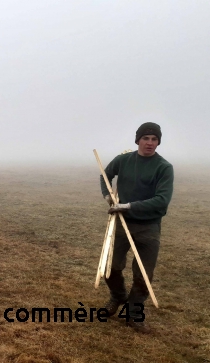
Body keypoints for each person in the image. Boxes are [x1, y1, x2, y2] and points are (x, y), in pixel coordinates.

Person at [101, 122, 174, 334]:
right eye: (146, 138)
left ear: (158, 142)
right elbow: (105, 176)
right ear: (138, 140)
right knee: (109, 268)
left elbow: (161, 200)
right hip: (122, 224)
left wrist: (129, 205)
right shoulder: (123, 160)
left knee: (143, 274)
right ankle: (118, 296)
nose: (150, 143)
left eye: (154, 139)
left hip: (149, 228)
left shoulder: (164, 167)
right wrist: (107, 195)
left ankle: (133, 313)